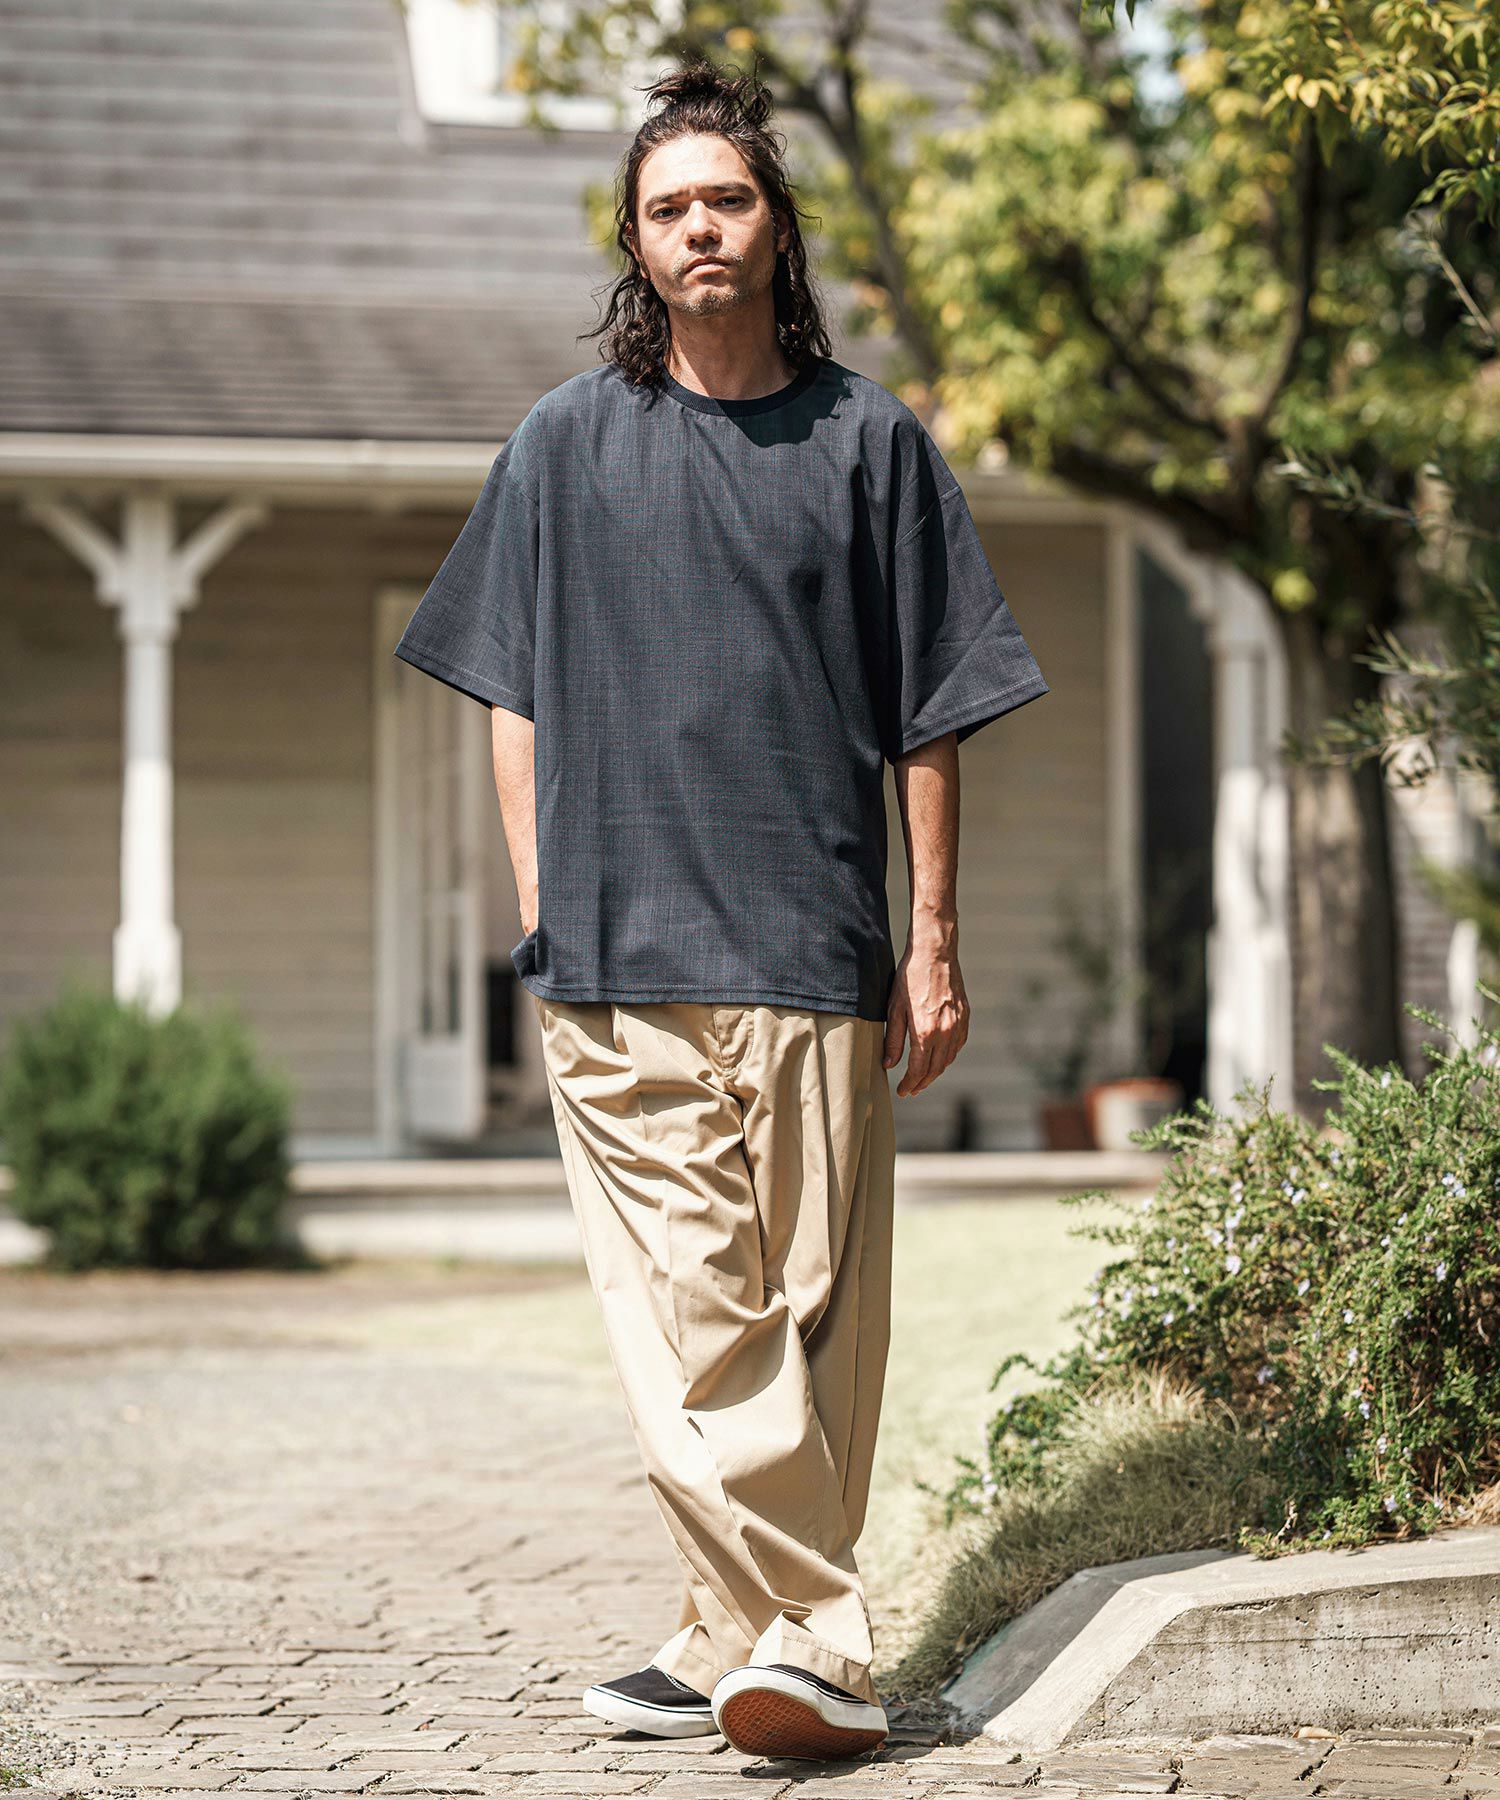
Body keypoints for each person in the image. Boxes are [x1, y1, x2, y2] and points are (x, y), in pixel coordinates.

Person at [392, 55, 1049, 1765]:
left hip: (818, 944)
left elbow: (932, 709)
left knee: (816, 1325)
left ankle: (723, 1638)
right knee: (698, 1309)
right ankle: (821, 1645)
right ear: (635, 240)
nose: (700, 226)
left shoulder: (869, 441)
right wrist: (542, 893)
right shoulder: (564, 443)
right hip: (619, 955)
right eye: (669, 205)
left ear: (776, 225)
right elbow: (508, 687)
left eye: (728, 198)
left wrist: (933, 939)